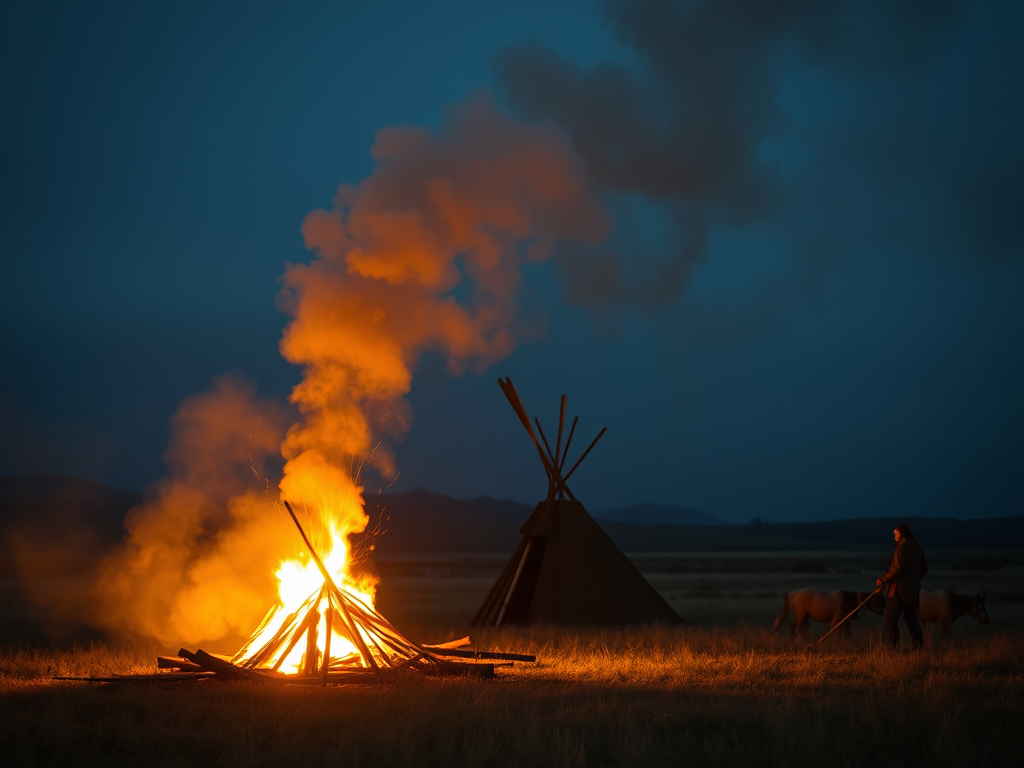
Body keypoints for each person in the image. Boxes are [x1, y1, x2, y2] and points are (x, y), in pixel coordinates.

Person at [877, 522, 928, 650]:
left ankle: (892, 649)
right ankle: (919, 648)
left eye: (896, 533)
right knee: (911, 619)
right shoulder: (917, 547)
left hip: (899, 590)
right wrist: (913, 580)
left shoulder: (901, 547)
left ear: (902, 533)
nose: (894, 535)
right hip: (913, 591)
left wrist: (883, 579)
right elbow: (924, 570)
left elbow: (897, 569)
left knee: (890, 617)